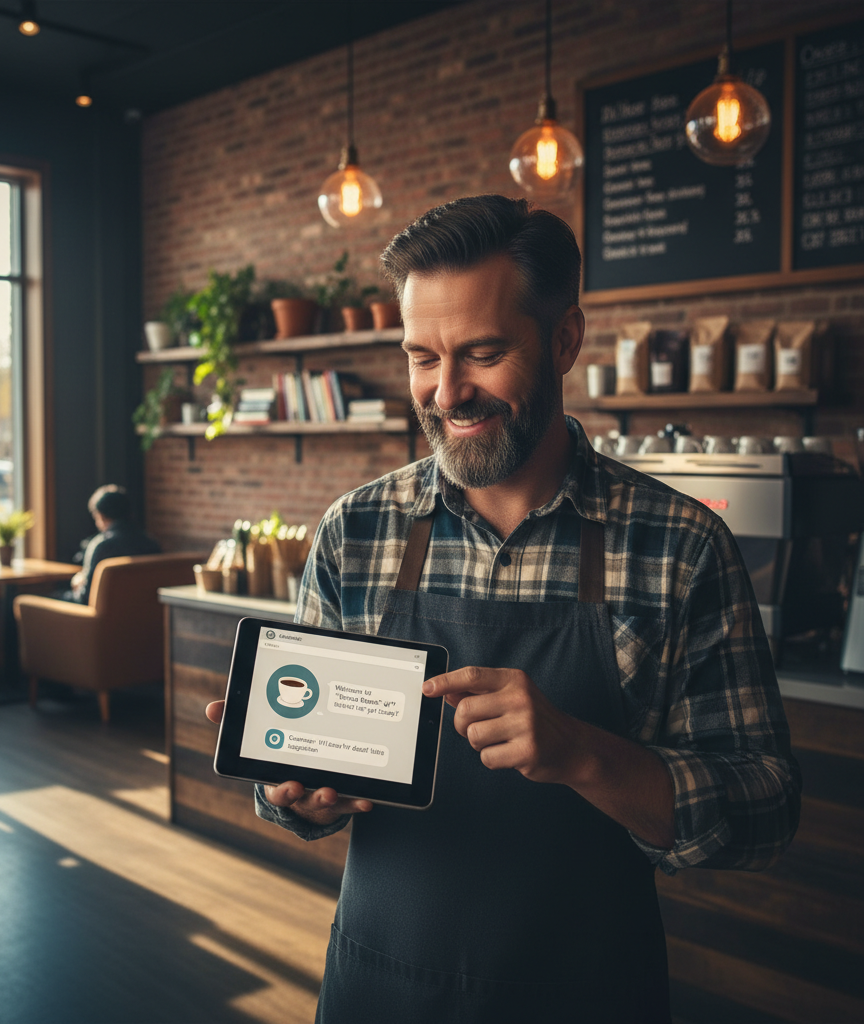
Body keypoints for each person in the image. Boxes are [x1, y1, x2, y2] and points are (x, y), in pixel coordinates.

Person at [206, 195, 801, 1023]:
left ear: (564, 340)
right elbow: (297, 785)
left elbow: (766, 806)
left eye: (483, 353)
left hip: (587, 997)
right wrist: (290, 794)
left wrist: (587, 755)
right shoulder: (356, 531)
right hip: (380, 989)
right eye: (422, 357)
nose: (447, 393)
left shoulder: (682, 545)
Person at [66, 485, 160, 604]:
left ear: (100, 516)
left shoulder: (101, 546)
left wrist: (77, 585)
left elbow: (86, 598)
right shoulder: (151, 543)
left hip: (103, 618)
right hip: (142, 613)